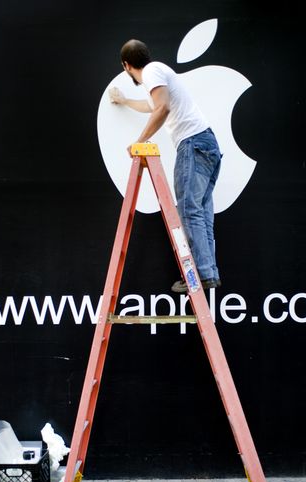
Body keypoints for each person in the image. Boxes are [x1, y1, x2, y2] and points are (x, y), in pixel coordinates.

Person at [109, 39, 222, 293]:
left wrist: (139, 141)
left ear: (126, 66)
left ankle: (203, 275)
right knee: (200, 212)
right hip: (206, 144)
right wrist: (125, 101)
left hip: (193, 143)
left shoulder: (151, 71)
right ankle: (208, 272)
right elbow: (152, 106)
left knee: (189, 210)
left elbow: (161, 108)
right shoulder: (157, 74)